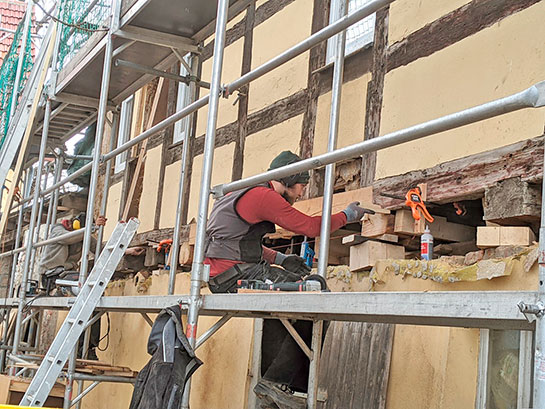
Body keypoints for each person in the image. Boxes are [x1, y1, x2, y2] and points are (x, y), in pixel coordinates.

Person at [204, 150, 371, 293]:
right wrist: (347, 216)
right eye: (302, 187)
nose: (300, 194)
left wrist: (281, 259)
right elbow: (311, 227)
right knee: (313, 289)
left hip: (225, 275)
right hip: (233, 277)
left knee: (304, 287)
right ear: (291, 179)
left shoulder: (241, 191)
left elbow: (239, 246)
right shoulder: (263, 196)